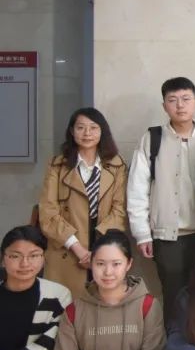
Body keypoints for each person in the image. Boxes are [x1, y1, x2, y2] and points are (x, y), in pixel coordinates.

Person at [127, 77, 195, 325]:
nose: (180, 105)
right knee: (174, 298)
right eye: (173, 100)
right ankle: (174, 347)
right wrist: (142, 234)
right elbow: (137, 188)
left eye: (186, 99)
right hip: (167, 238)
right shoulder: (152, 138)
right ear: (164, 105)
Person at [38, 107, 128, 296]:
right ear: (72, 131)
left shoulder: (117, 166)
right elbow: (48, 213)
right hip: (66, 247)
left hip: (105, 246)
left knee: (102, 304)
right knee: (66, 305)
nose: (87, 133)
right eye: (81, 128)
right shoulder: (57, 165)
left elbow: (119, 211)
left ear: (102, 131)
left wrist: (98, 249)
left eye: (93, 128)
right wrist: (78, 249)